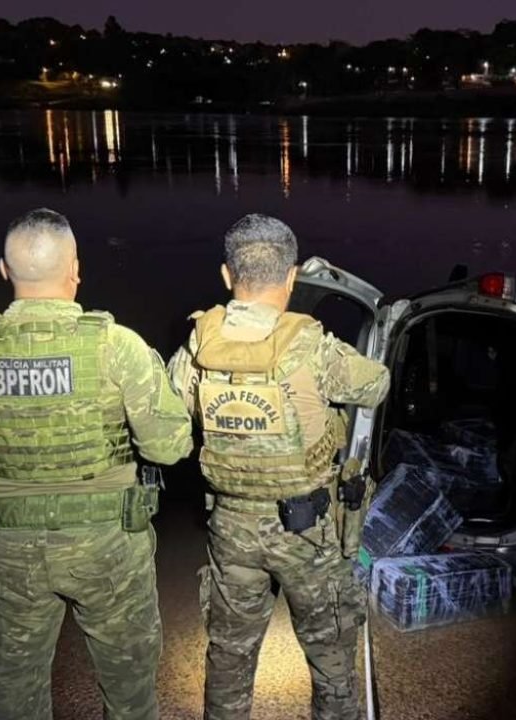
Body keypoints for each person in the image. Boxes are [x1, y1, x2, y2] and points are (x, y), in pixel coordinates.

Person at [0, 208, 193, 720]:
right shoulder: (116, 347)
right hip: (109, 546)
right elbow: (169, 448)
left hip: (12, 550)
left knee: (15, 685)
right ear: (75, 268)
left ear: (4, 270)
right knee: (129, 688)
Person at [168, 214, 389, 720]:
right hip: (307, 533)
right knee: (331, 659)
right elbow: (375, 385)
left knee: (229, 656)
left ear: (228, 276)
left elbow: (170, 411)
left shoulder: (199, 345)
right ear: (291, 277)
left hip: (231, 528)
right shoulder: (312, 346)